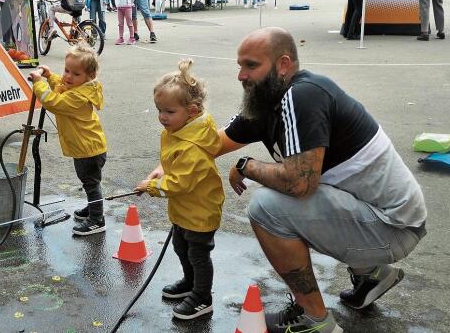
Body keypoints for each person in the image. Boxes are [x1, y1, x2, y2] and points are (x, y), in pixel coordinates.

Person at [149, 27, 424, 333]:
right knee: (289, 193)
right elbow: (210, 145)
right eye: (240, 65)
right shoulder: (266, 102)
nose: (241, 75)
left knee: (267, 207)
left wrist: (246, 165)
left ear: (283, 65)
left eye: (251, 65)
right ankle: (370, 274)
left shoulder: (301, 95)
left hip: (391, 226)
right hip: (373, 214)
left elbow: (299, 184)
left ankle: (314, 318)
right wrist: (167, 167)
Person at [134, 59, 225, 321]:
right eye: (159, 110)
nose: (162, 117)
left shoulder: (193, 145)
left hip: (200, 210)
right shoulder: (177, 131)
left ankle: (202, 298)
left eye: (169, 111)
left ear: (193, 111)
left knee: (198, 253)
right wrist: (161, 168)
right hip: (185, 209)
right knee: (180, 246)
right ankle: (190, 283)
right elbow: (172, 161)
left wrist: (151, 186)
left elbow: (181, 183)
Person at [29, 43, 107, 236]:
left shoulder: (78, 98)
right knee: (90, 182)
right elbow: (62, 87)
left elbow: (54, 102)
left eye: (75, 74)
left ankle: (97, 219)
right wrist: (49, 77)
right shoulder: (79, 88)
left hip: (88, 150)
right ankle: (93, 208)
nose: (68, 76)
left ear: (90, 76)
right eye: (66, 70)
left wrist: (39, 83)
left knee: (91, 183)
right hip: (87, 147)